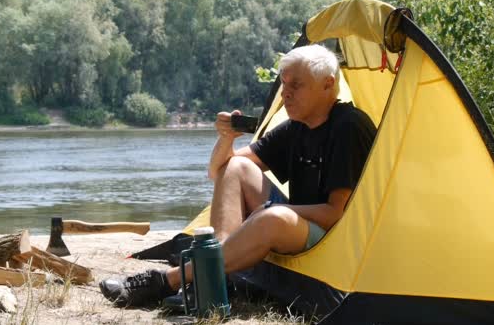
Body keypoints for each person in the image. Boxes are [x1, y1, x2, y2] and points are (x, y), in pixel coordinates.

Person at [99, 44, 377, 307]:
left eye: (296, 85)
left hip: (337, 237)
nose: (285, 94)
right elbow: (218, 171)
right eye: (283, 84)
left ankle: (168, 280)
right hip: (301, 223)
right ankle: (209, 281)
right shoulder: (297, 126)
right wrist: (226, 139)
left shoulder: (348, 127)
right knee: (236, 168)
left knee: (273, 217)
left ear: (328, 84)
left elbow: (335, 215)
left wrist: (274, 211)